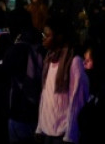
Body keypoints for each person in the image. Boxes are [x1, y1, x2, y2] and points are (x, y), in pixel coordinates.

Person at [36, 14, 89, 143]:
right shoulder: (49, 59)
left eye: (47, 36)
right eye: (43, 35)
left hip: (62, 134)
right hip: (46, 131)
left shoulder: (74, 62)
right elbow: (45, 95)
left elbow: (77, 101)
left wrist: (70, 135)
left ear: (59, 37)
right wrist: (39, 127)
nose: (43, 39)